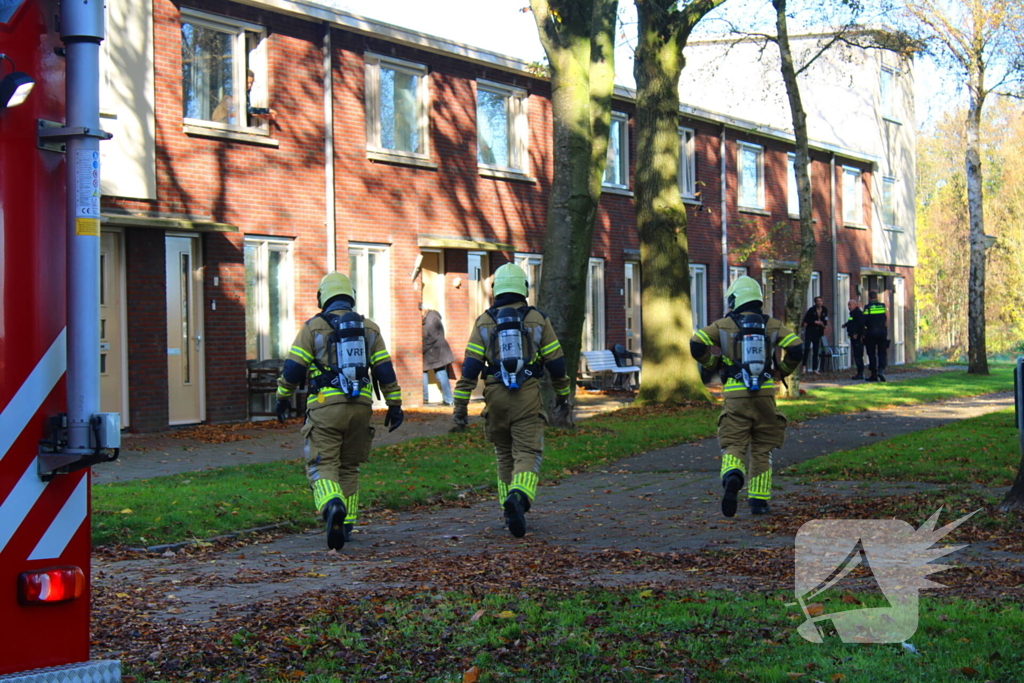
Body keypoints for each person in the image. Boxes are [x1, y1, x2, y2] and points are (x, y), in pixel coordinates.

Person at [275, 272, 404, 550]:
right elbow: (384, 370)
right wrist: (395, 405)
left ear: (323, 297)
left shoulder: (313, 327)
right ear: (351, 296)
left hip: (325, 408)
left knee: (322, 465)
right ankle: (346, 527)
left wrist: (282, 397)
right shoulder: (369, 328)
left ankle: (332, 505)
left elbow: (293, 369)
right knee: (349, 466)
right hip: (361, 407)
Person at [451, 263, 570, 538]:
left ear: (496, 290)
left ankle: (507, 512)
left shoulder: (484, 322)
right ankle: (519, 497)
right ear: (524, 288)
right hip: (526, 396)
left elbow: (469, 369)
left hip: (495, 398)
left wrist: (460, 407)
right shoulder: (538, 320)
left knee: (504, 454)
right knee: (528, 453)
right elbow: (557, 363)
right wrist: (563, 396)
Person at [690, 276, 803, 517]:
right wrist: (781, 372)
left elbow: (696, 343)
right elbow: (796, 347)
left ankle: (733, 476)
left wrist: (714, 363)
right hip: (764, 395)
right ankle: (759, 503)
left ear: (735, 299)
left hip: (735, 396)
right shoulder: (772, 324)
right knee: (763, 447)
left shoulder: (722, 325)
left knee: (734, 443)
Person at [212, 69, 277, 125]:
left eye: (251, 83)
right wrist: (266, 111)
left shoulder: (245, 94)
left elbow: (242, 111)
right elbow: (244, 109)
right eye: (247, 83)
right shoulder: (234, 94)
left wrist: (257, 114)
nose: (249, 85)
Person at [422, 307, 455, 406]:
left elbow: (432, 337)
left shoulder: (431, 319)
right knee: (439, 373)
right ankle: (448, 399)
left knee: (433, 372)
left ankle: (425, 398)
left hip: (435, 351)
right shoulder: (432, 317)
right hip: (436, 351)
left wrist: (421, 349)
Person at [863, 290, 888, 382]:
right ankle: (881, 370)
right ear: (877, 297)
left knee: (871, 353)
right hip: (882, 332)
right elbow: (885, 318)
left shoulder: (867, 307)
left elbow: (864, 320)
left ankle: (874, 374)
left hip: (871, 332)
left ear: (869, 298)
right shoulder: (882, 306)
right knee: (882, 352)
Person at [801, 296, 828, 374]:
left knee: (816, 350)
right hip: (810, 331)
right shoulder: (811, 310)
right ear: (815, 302)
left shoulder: (825, 310)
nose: (819, 302)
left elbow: (825, 319)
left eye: (820, 301)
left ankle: (815, 368)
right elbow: (806, 320)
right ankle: (804, 366)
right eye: (818, 301)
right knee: (807, 348)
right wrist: (815, 322)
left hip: (818, 332)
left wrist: (823, 324)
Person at [843, 299, 866, 380]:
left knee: (858, 355)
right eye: (848, 305)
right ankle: (859, 372)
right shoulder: (853, 314)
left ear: (855, 305)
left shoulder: (858, 313)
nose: (849, 307)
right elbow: (851, 322)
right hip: (853, 336)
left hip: (857, 337)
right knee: (857, 355)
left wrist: (857, 333)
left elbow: (861, 324)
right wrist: (846, 325)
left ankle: (861, 373)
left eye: (850, 305)